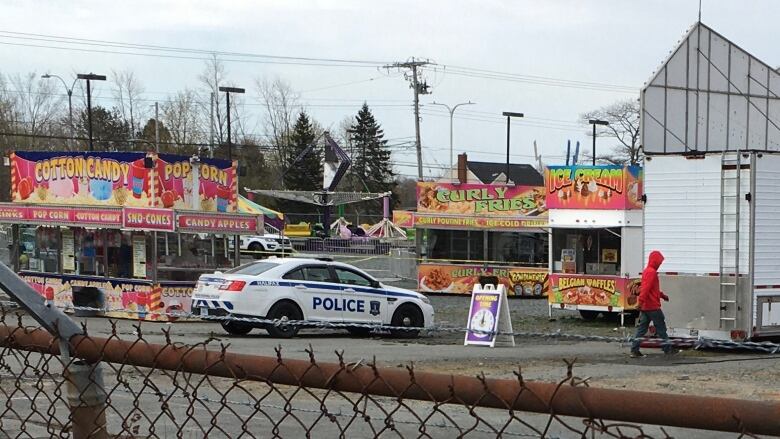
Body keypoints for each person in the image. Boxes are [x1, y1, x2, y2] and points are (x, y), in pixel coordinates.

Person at [631, 250, 678, 357]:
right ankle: (667, 349)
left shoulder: (647, 271)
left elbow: (651, 289)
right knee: (661, 327)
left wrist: (662, 296)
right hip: (652, 306)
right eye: (659, 262)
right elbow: (646, 289)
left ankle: (634, 350)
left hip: (646, 307)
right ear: (655, 261)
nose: (660, 264)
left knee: (641, 329)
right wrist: (640, 302)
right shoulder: (651, 272)